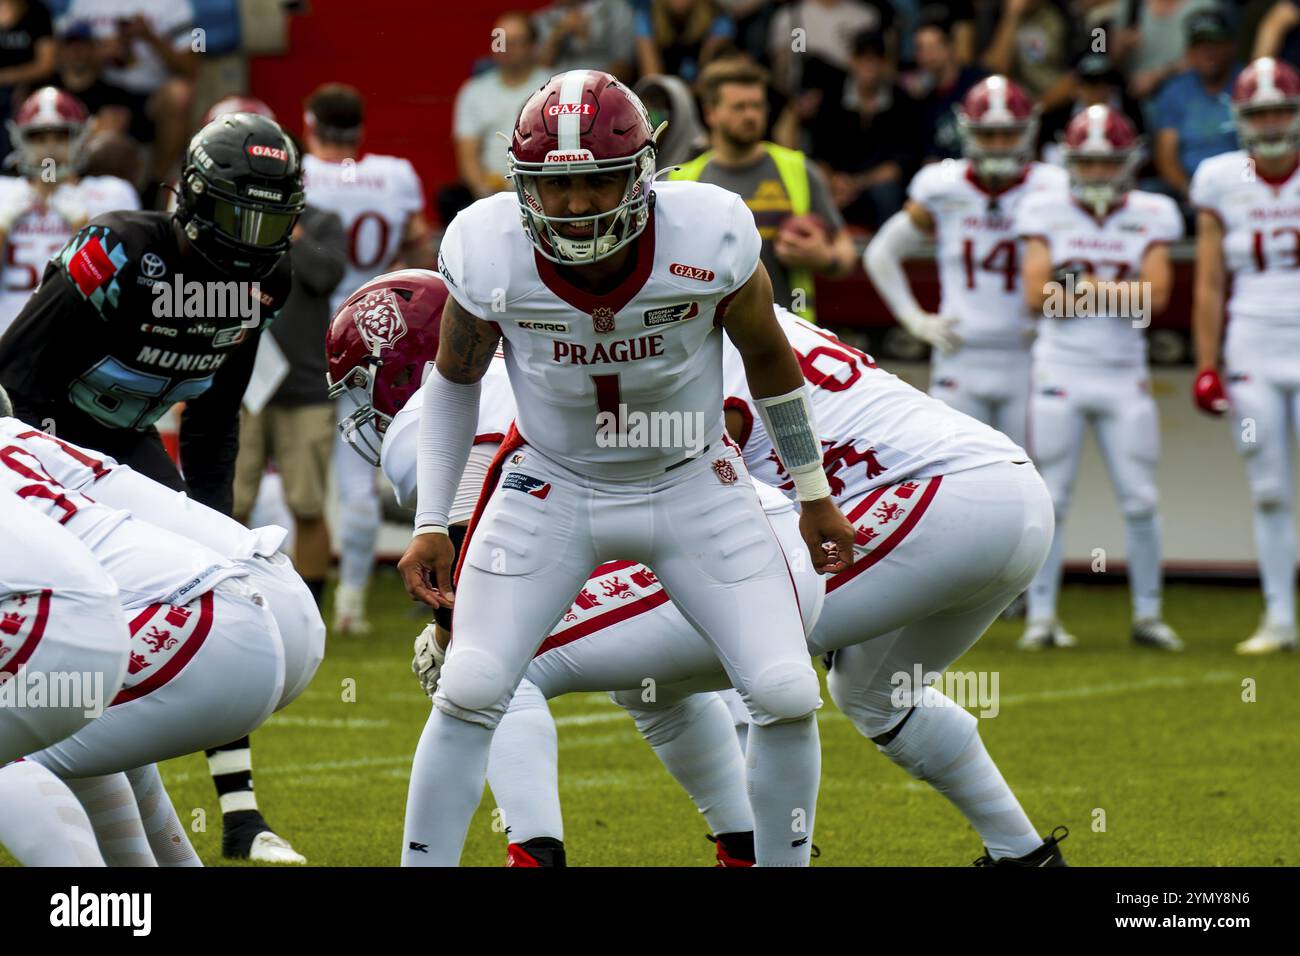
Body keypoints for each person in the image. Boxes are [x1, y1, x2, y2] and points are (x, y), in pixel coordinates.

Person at [338, 272, 1067, 868]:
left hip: (917, 500)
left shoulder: (487, 381)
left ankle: (537, 855)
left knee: (506, 657)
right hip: (1000, 491)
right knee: (872, 695)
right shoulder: (693, 294)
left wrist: (459, 615)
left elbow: (695, 450)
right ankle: (1023, 855)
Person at [398, 70, 856, 867]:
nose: (575, 205)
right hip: (555, 482)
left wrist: (811, 491)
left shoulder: (710, 232)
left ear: (643, 171)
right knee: (469, 686)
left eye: (597, 180)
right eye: (556, 186)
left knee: (785, 692)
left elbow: (771, 359)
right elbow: (455, 382)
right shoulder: (487, 244)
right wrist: (431, 519)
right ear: (522, 184)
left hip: (691, 479)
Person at [0, 112, 306, 862]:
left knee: (221, 586)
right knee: (82, 624)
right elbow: (17, 370)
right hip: (51, 438)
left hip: (128, 444)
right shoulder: (122, 251)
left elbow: (213, 414)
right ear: (196, 201)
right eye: (240, 217)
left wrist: (209, 511)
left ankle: (239, 815)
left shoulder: (268, 282)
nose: (254, 240)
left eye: (273, 224)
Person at [1016, 104, 1184, 651]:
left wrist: (1078, 286)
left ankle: (1149, 615)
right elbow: (1035, 297)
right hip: (1059, 373)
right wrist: (1114, 291)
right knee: (1052, 497)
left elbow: (1157, 298)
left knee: (1139, 498)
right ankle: (1041, 617)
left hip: (1123, 375)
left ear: (1127, 161)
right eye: (1086, 163)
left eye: (1105, 163)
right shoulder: (1044, 209)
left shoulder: (1152, 212)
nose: (1095, 173)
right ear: (1069, 163)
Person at [865, 76, 1066, 450]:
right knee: (956, 474)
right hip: (960, 354)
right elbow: (881, 254)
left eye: (1008, 134)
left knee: (1030, 479)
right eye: (988, 134)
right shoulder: (943, 186)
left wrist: (1058, 312)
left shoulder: (1053, 186)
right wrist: (914, 318)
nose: (998, 144)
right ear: (967, 132)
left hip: (1029, 354)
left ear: (1028, 131)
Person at [301, 82, 432, 633]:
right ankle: (350, 603)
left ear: (310, 123)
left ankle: (313, 596)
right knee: (359, 476)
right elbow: (419, 246)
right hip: (384, 332)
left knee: (295, 474)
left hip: (312, 330)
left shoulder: (304, 174)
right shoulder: (396, 175)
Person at [1191, 57, 1300, 654]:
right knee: (1269, 489)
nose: (1272, 121)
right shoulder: (1219, 178)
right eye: (1260, 111)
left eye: (1281, 108)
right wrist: (1207, 363)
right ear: (1239, 118)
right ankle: (1280, 616)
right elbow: (1210, 282)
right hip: (1253, 347)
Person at [668, 57, 857, 321]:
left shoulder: (798, 169)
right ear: (711, 112)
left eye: (757, 106)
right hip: (715, 342)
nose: (751, 115)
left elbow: (846, 252)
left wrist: (824, 258)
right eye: (739, 107)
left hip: (792, 338)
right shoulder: (683, 183)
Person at [0, 87, 139, 338]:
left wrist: (82, 229)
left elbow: (122, 290)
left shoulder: (113, 193)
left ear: (81, 136)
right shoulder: (4, 192)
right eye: (38, 137)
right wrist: (2, 228)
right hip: (7, 333)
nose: (50, 148)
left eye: (61, 135)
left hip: (76, 337)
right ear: (20, 139)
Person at [59, 0, 199, 203]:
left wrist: (149, 37)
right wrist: (101, 52)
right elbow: (64, 51)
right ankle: (81, 194)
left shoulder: (175, 5)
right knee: (106, 122)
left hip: (152, 93)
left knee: (180, 94)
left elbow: (191, 66)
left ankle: (153, 188)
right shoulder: (83, 5)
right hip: (101, 90)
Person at [807, 29, 919, 230]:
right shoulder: (831, 98)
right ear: (852, 61)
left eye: (875, 59)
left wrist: (857, 184)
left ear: (885, 64)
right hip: (838, 183)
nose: (869, 66)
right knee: (815, 187)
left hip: (874, 185)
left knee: (886, 191)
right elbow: (819, 154)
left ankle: (886, 250)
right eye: (862, 58)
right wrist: (833, 181)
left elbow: (898, 166)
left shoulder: (903, 102)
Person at [446, 10, 550, 222]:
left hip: (545, 190)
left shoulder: (553, 87)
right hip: (489, 193)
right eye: (499, 39)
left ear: (533, 46)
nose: (504, 48)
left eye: (514, 41)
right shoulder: (473, 91)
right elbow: (467, 157)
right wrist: (485, 195)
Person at [1151, 7, 1242, 200]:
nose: (1208, 53)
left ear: (1231, 46)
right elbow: (1166, 159)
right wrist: (1191, 192)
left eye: (1215, 44)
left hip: (1241, 186)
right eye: (1200, 45)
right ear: (1188, 52)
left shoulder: (1247, 84)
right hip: (1190, 190)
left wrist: (1249, 187)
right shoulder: (1174, 91)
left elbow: (1256, 151)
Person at [910, 10, 988, 162]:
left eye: (934, 47)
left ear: (949, 47)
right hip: (949, 178)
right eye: (921, 48)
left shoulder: (979, 83)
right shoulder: (924, 103)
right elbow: (930, 157)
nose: (927, 55)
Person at [635, 0, 735, 83]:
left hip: (702, 94)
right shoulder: (647, 16)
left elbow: (709, 77)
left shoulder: (718, 18)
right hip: (664, 95)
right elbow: (652, 79)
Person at [534, 0, 636, 76]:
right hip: (556, 91)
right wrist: (556, 37)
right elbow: (541, 71)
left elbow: (624, 66)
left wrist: (588, 38)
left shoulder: (617, 9)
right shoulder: (543, 16)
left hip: (604, 91)